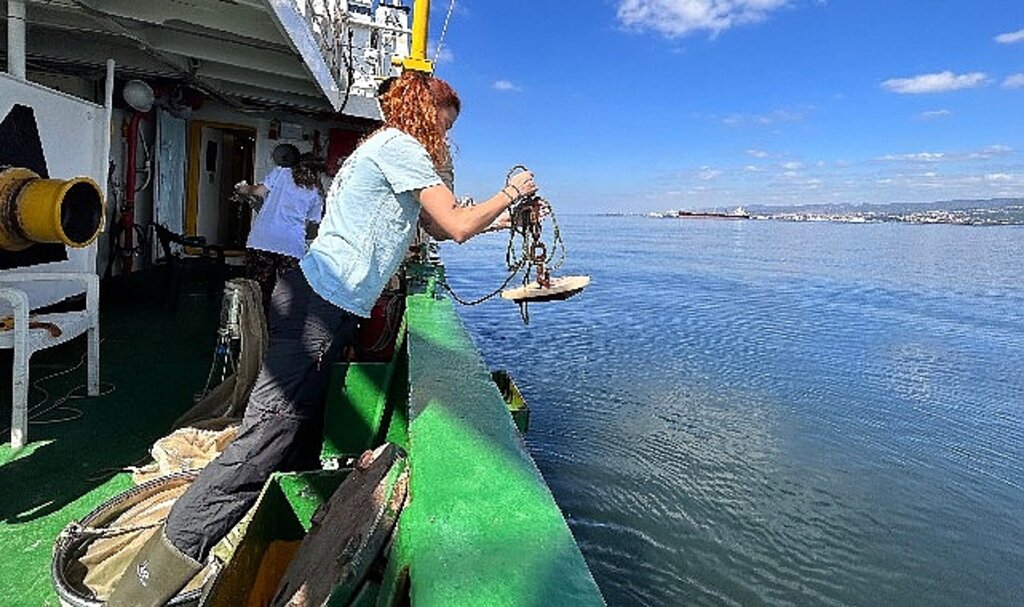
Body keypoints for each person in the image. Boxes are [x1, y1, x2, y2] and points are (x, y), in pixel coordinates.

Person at [107, 69, 539, 605]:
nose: (446, 140)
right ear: (424, 117)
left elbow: (432, 226)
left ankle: (284, 552)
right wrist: (510, 192)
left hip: (319, 307)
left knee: (300, 440)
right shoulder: (403, 146)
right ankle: (145, 585)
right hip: (317, 311)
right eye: (444, 127)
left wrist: (505, 217)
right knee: (261, 446)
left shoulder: (385, 148)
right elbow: (455, 224)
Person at [237, 151, 325, 308]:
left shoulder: (282, 171)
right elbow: (313, 226)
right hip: (291, 246)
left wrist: (244, 188)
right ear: (318, 172)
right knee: (288, 298)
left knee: (257, 293)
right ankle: (280, 329)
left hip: (261, 241)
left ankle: (254, 328)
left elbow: (258, 191)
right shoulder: (317, 192)